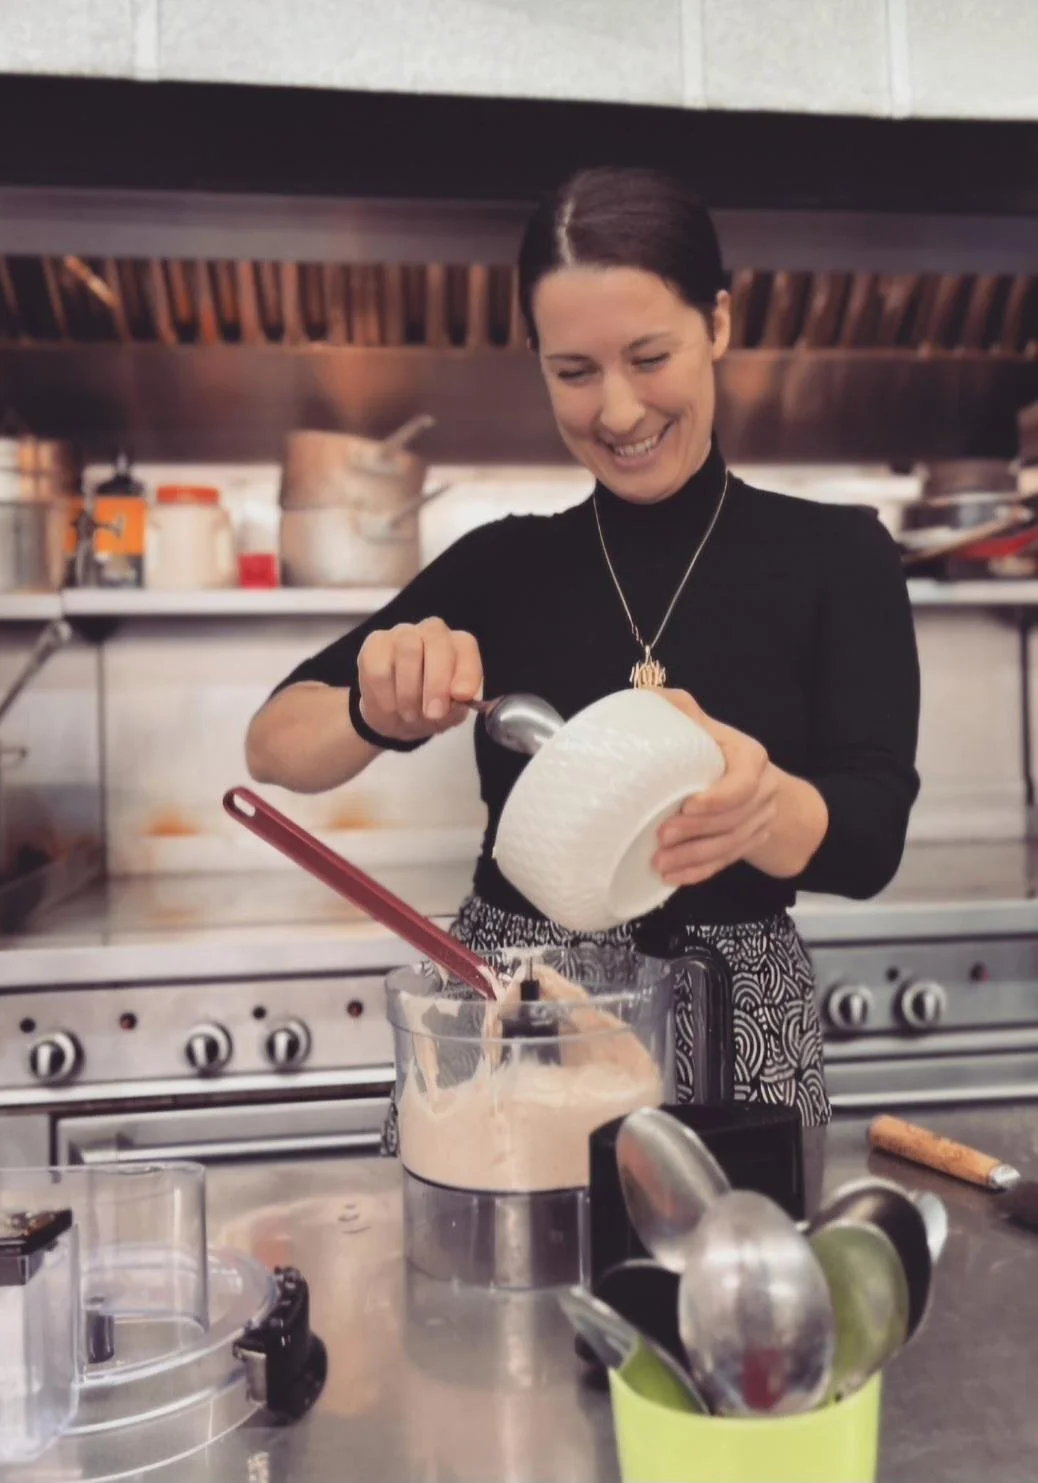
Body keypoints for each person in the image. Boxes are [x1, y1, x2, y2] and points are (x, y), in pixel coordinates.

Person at [246, 166, 920, 1135]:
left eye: (650, 357)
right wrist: (369, 704)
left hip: (745, 1027)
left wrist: (761, 807)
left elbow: (869, 837)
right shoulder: (502, 562)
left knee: (732, 1286)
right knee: (487, 1279)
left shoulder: (836, 554)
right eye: (574, 371)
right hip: (516, 1015)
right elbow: (273, 744)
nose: (616, 411)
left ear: (717, 326)